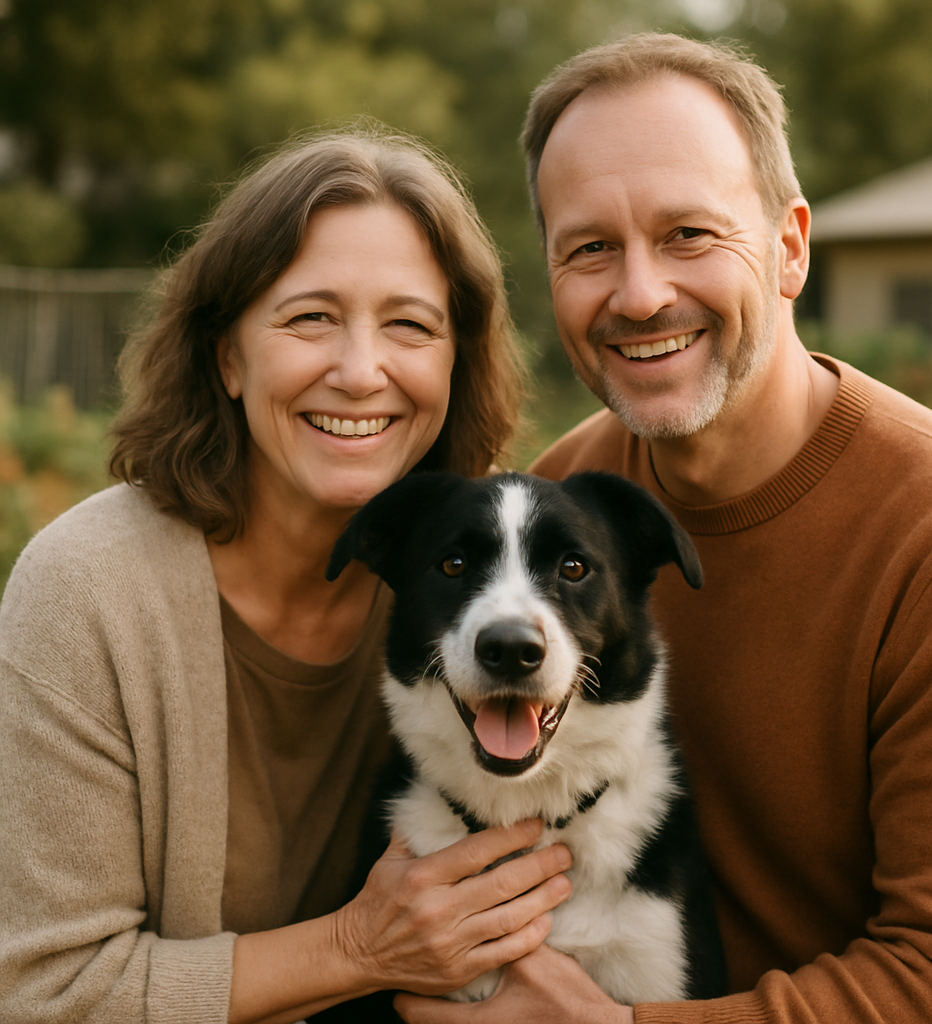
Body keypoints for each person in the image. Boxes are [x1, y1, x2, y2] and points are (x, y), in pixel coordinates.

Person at [393, 32, 932, 1024]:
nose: (640, 294)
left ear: (788, 245)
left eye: (689, 233)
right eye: (590, 247)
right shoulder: (561, 501)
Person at [0, 128, 573, 1024]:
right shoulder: (87, 592)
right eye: (310, 318)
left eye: (410, 326)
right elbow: (44, 994)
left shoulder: (487, 593)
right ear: (228, 356)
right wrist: (358, 948)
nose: (358, 372)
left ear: (455, 364)